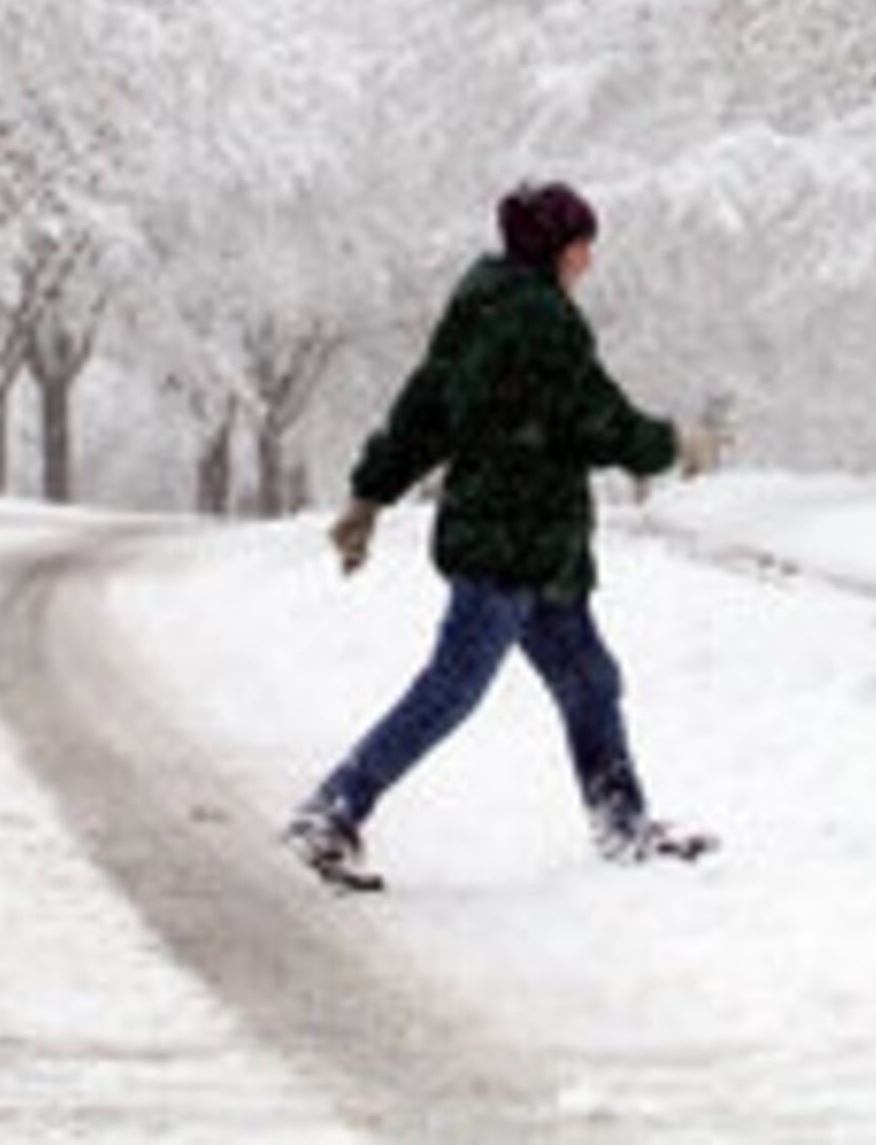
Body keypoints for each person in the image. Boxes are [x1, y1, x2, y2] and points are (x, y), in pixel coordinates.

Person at [284, 180, 717, 889]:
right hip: (512, 538)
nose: (588, 260)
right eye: (581, 245)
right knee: (453, 687)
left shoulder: (479, 308)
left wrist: (371, 492)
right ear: (555, 248)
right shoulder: (541, 320)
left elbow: (426, 408)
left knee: (589, 680)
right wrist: (675, 446)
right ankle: (333, 809)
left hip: (529, 541)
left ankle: (623, 826)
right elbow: (598, 420)